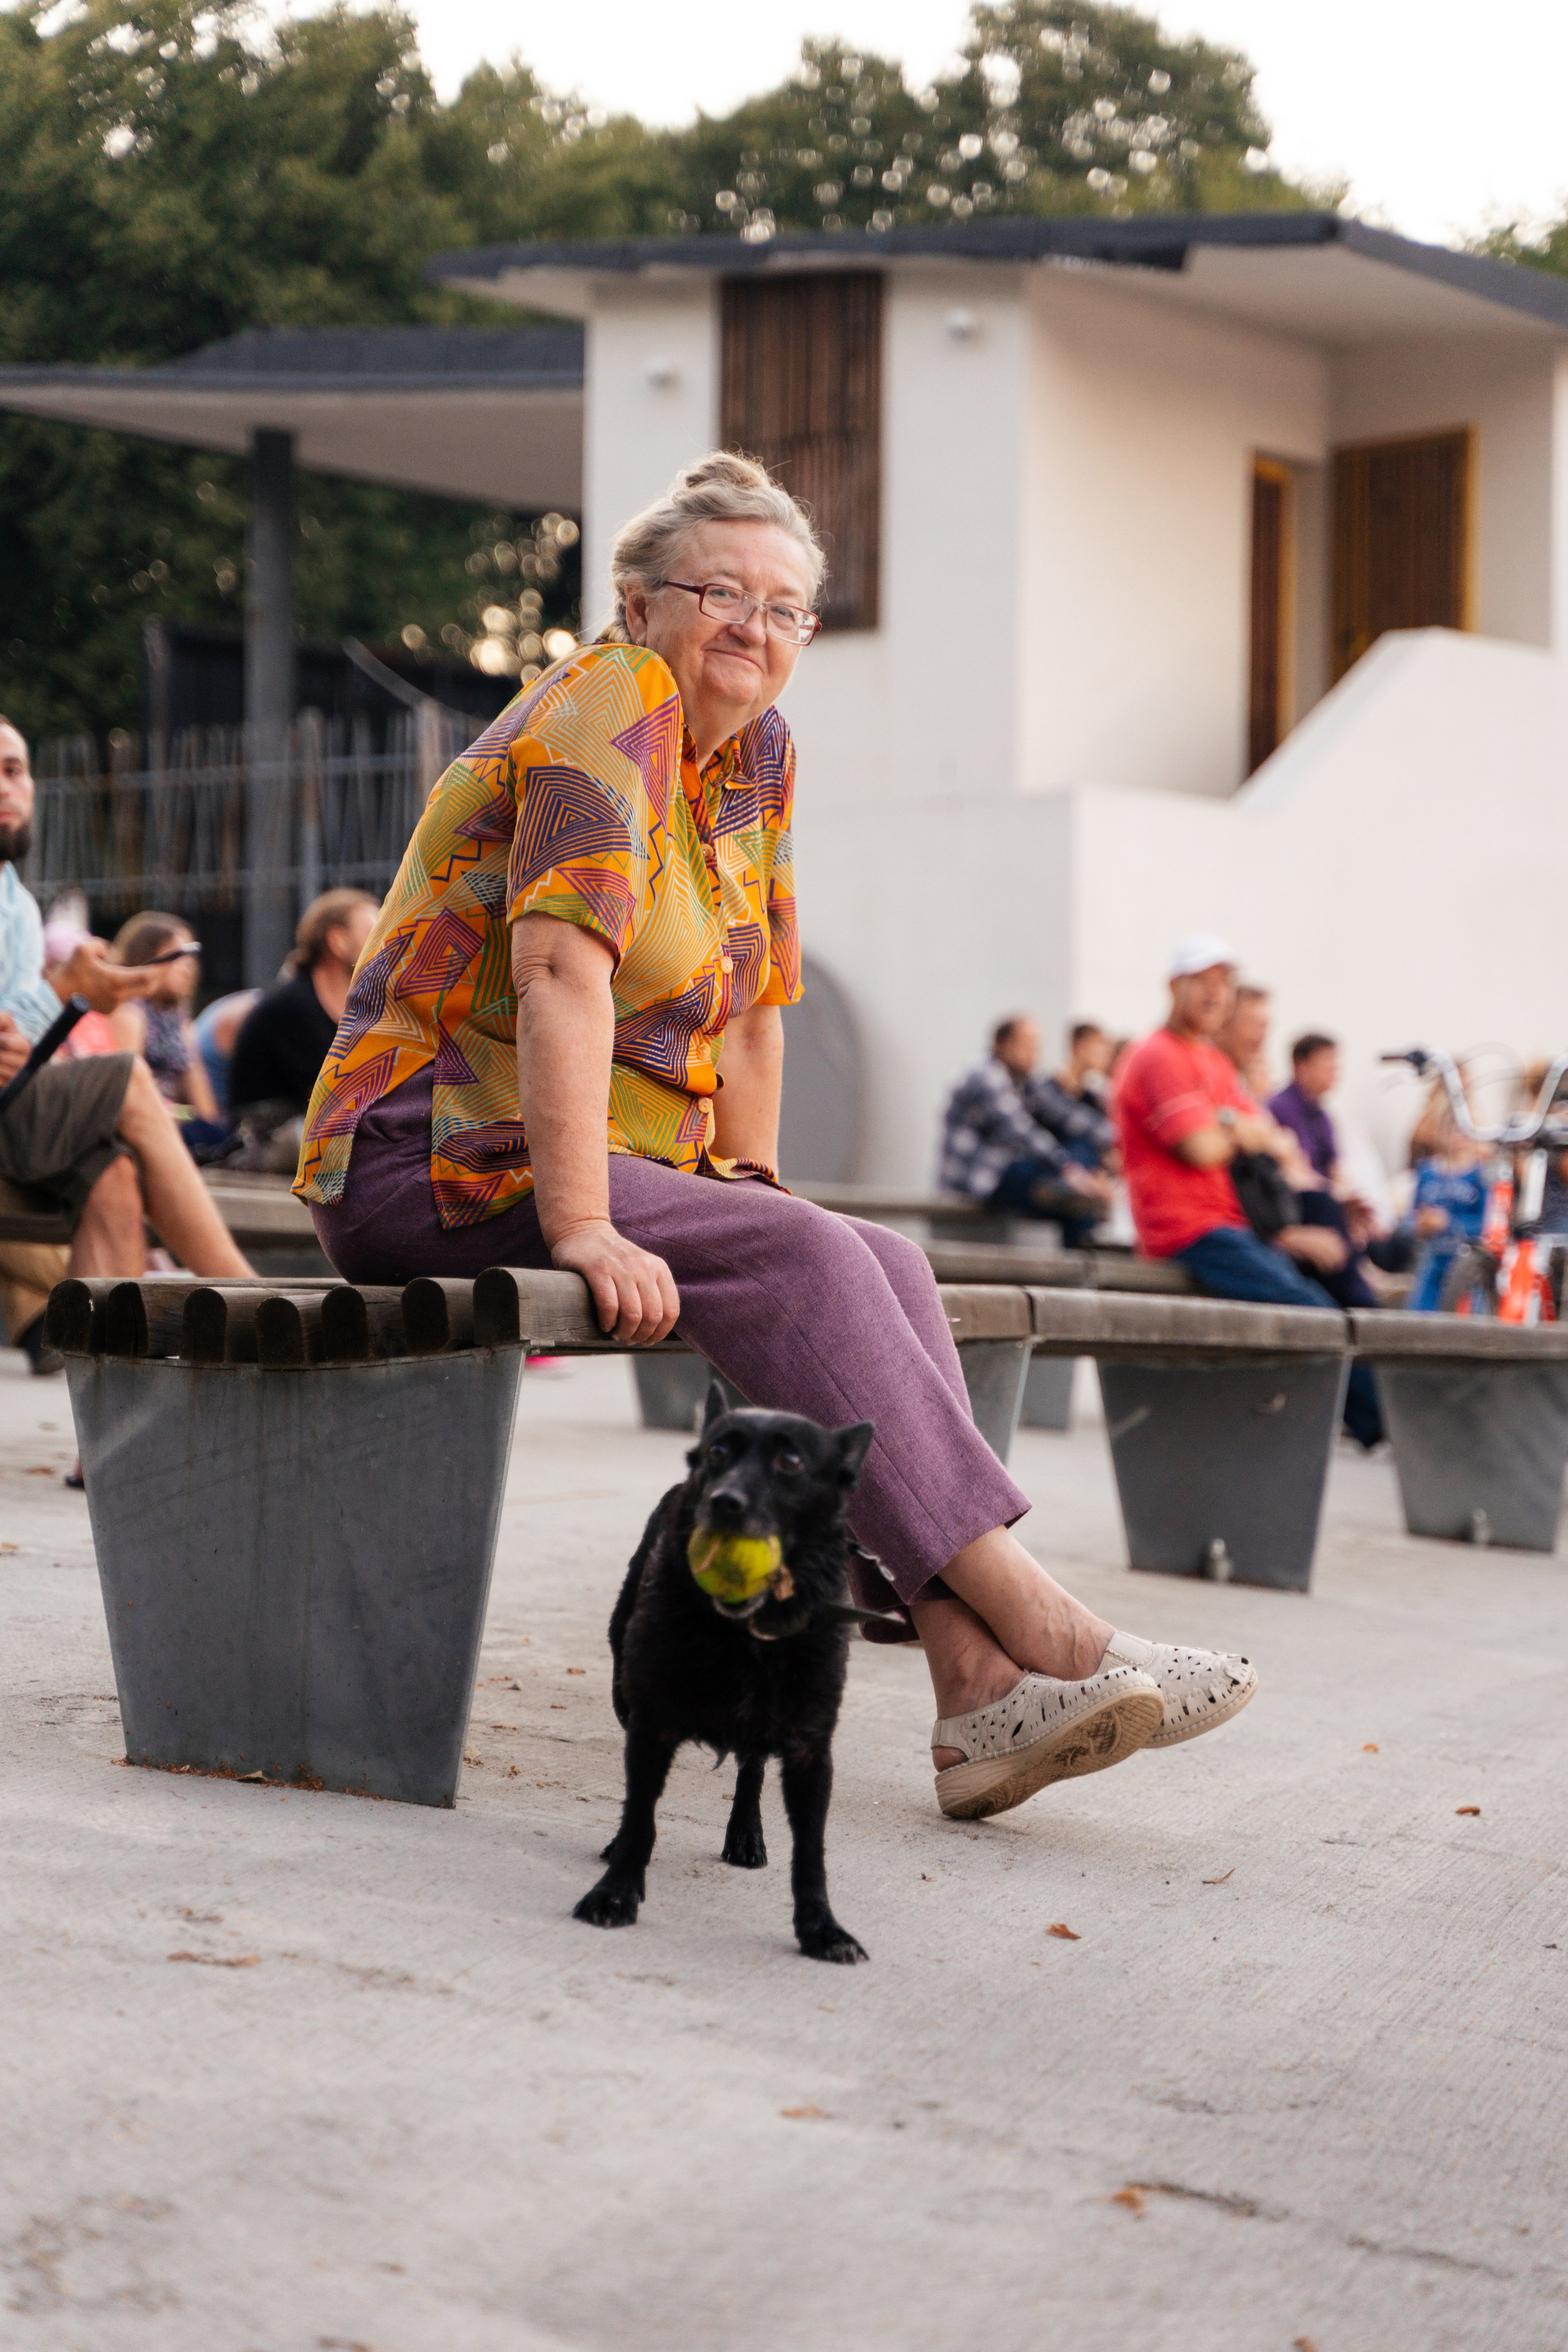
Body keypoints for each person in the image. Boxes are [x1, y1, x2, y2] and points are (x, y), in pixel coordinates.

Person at [297, 452, 1256, 1822]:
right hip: (428, 1152)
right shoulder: (603, 701)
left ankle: (975, 1696)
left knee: (881, 1261)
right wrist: (582, 1225)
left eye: (786, 607)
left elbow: (754, 1011)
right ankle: (1048, 1631)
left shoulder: (750, 757)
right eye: (719, 594)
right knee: (811, 1262)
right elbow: (564, 974)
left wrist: (744, 1179)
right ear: (637, 604)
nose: (754, 627)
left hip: (592, 1156)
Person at [0, 715, 254, 1332]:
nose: (6, 788)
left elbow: (15, 1042)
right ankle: (253, 1305)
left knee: (111, 1171)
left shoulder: (19, 905)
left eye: (13, 771)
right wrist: (67, 991)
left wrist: (76, 999)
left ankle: (111, 1378)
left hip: (11, 1110)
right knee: (126, 1078)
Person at [1114, 934, 1382, 1446]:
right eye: (1203, 982)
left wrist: (1228, 1125)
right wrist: (1238, 1128)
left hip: (1228, 1224)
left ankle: (1382, 1414)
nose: (1215, 994)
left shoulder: (1209, 1061)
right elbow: (1203, 1149)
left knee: (1325, 1277)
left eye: (1224, 984)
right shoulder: (1158, 1055)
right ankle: (1385, 1422)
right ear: (1174, 986)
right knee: (1312, 1313)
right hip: (1187, 1232)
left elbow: (1271, 1140)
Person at [939, 1015, 1114, 1246]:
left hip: (1009, 1171)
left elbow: (1063, 1112)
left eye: (1037, 1047)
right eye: (1028, 1046)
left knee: (1080, 1154)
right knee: (1072, 1197)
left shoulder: (1022, 1080)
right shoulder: (984, 1076)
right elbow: (1021, 1131)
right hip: (980, 1177)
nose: (1035, 1054)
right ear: (1005, 1045)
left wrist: (1118, 1145)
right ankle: (1082, 1263)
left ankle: (1079, 1232)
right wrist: (1069, 1169)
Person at [229, 888, 379, 1121]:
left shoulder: (362, 1001)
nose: (385, 943)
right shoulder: (291, 1004)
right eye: (374, 932)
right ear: (337, 941)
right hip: (264, 1134)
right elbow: (333, 1096)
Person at [1023, 1020, 1118, 1174]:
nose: (1107, 1053)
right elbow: (1081, 1124)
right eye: (1101, 1045)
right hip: (1043, 1169)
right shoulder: (1045, 1088)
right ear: (1079, 1047)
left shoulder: (1092, 1098)